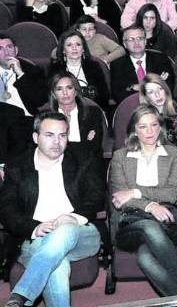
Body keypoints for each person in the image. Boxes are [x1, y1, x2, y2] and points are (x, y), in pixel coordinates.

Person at [0, 111, 103, 307]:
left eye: (62, 135)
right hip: (36, 239)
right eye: (49, 135)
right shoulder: (18, 166)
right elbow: (7, 209)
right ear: (35, 137)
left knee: (64, 230)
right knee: (57, 266)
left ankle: (21, 296)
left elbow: (96, 197)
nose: (57, 141)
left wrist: (74, 218)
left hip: (81, 234)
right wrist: (34, 228)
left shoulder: (83, 157)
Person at [109, 104, 177, 299]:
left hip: (167, 220)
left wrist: (135, 192)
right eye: (143, 126)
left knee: (145, 258)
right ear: (134, 130)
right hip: (131, 224)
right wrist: (150, 205)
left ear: (160, 127)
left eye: (153, 125)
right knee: (149, 227)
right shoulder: (120, 157)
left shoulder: (173, 154)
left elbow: (170, 194)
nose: (149, 131)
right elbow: (120, 199)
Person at [47, 71, 104, 160]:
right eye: (59, 89)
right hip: (56, 162)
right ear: (53, 94)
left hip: (87, 162)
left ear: (76, 91)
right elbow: (47, 149)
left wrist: (64, 145)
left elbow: (94, 146)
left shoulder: (93, 112)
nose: (65, 93)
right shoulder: (46, 117)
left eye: (69, 88)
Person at [111, 25, 175, 103]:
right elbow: (118, 94)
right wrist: (155, 83)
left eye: (139, 38)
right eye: (131, 39)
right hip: (133, 106)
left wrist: (138, 87)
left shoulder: (161, 59)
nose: (136, 42)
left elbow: (169, 86)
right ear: (125, 44)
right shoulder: (117, 64)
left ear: (145, 41)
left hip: (160, 103)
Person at [48, 29, 110, 109]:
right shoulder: (55, 68)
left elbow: (104, 95)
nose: (74, 48)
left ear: (83, 48)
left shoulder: (94, 66)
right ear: (63, 49)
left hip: (92, 109)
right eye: (69, 45)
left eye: (78, 44)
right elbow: (51, 96)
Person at [0, 33, 47, 116]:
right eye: (0, 49)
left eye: (9, 47)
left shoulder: (32, 70)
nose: (6, 52)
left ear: (16, 50)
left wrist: (21, 74)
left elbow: (40, 101)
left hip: (25, 119)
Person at [139, 74, 177, 149]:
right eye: (151, 92)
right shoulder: (142, 117)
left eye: (160, 89)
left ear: (165, 89)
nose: (157, 94)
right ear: (146, 96)